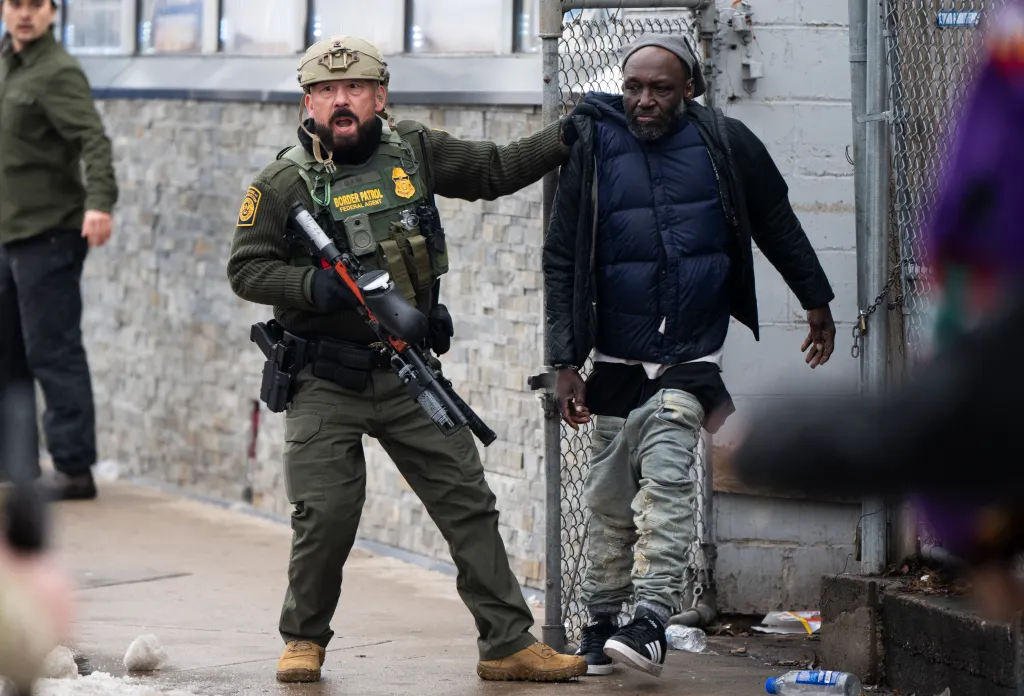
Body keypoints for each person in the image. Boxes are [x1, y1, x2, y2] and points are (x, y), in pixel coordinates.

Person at [226, 36, 587, 684]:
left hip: (405, 371)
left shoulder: (412, 151)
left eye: (355, 89)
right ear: (308, 101)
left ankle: (507, 641)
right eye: (327, 91)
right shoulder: (282, 182)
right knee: (327, 515)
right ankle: (303, 637)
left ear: (379, 97)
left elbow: (493, 170)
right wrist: (314, 287)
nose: (342, 100)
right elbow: (245, 268)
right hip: (322, 378)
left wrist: (565, 137)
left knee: (466, 498)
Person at [542, 34, 837, 677]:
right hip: (616, 359)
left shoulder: (726, 143)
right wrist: (565, 359)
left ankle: (651, 621)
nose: (644, 102)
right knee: (610, 500)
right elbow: (562, 254)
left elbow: (776, 221)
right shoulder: (592, 145)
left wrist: (816, 299)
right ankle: (598, 620)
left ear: (690, 91)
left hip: (690, 356)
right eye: (633, 89)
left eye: (660, 89)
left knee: (668, 487)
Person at [0, 0, 118, 501]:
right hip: (10, 233)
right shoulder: (8, 60)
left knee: (53, 352)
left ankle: (73, 469)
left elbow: (94, 140)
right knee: (8, 354)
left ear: (52, 12)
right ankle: (18, 463)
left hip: (49, 235)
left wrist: (99, 203)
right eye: (14, 4)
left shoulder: (57, 71)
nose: (23, 14)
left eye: (35, 5)